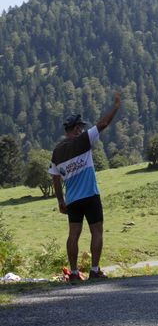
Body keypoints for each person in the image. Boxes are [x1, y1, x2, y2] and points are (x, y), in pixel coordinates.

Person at [49, 92, 122, 282]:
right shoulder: (83, 141)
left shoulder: (56, 152)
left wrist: (60, 201)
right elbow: (103, 124)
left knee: (73, 234)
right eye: (80, 127)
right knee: (96, 231)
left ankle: (73, 273)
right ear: (76, 128)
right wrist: (115, 107)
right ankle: (95, 270)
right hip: (90, 196)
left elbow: (55, 178)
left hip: (72, 200)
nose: (82, 130)